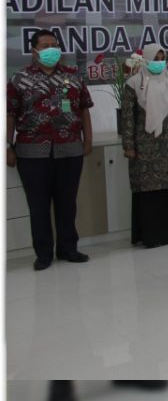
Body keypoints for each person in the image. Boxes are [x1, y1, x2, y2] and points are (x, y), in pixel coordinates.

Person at [6, 30, 93, 270]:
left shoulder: (72, 75)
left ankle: (68, 248)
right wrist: (7, 146)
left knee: (67, 204)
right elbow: (9, 114)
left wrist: (88, 140)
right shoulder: (19, 78)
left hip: (70, 149)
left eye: (54, 44)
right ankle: (43, 254)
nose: (51, 49)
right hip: (32, 152)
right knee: (38, 206)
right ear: (34, 50)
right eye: (45, 45)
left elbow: (84, 109)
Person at [121, 44, 168, 248]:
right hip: (145, 148)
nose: (159, 62)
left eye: (162, 58)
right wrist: (128, 146)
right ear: (146, 59)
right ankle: (151, 235)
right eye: (155, 58)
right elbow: (127, 117)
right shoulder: (134, 84)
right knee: (149, 191)